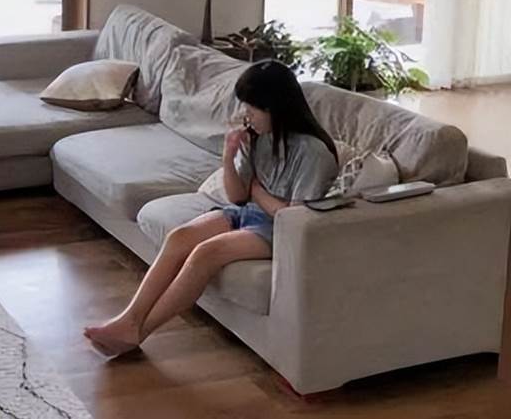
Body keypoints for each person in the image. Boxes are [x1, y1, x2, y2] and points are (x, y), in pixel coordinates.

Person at [84, 60, 338, 358]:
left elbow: (293, 217)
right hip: (249, 213)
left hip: (280, 230)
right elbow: (237, 196)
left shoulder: (313, 152)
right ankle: (129, 319)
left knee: (206, 252)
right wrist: (229, 156)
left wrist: (257, 191)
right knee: (180, 237)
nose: (246, 115)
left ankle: (140, 332)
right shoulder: (260, 138)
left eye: (252, 108)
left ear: (275, 107)